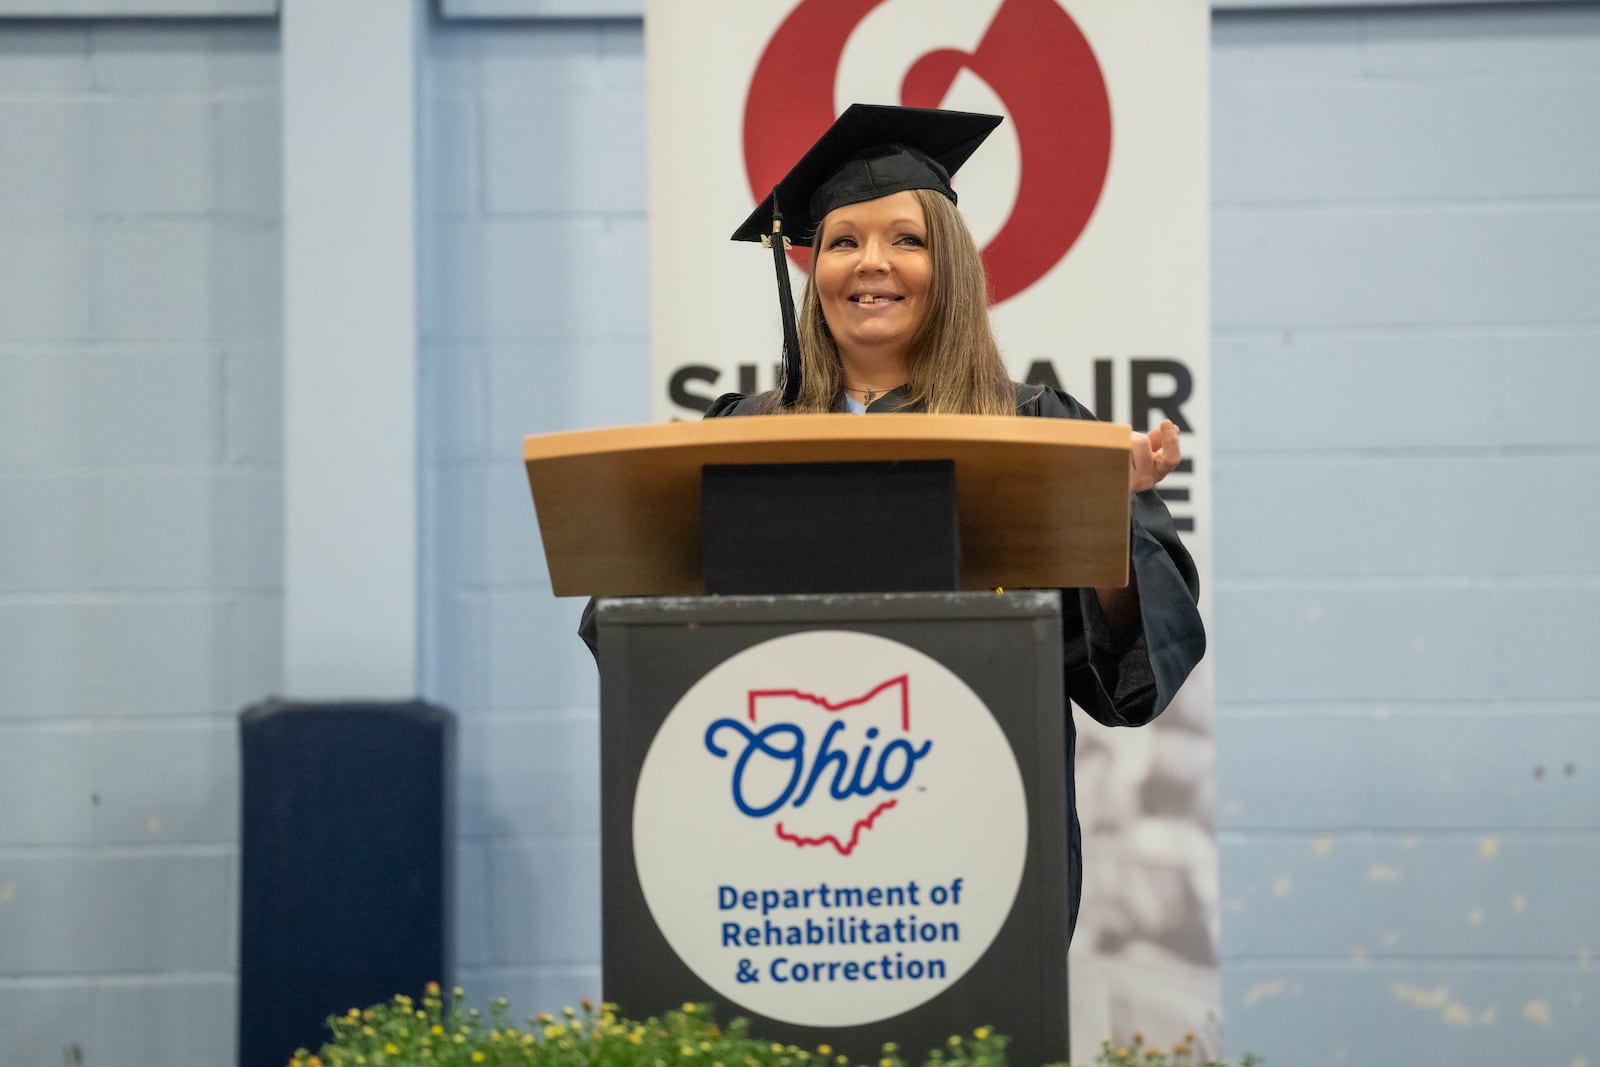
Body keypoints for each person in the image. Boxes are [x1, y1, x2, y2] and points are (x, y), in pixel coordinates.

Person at [585, 103, 1204, 933]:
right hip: (778, 836)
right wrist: (646, 532)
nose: (871, 263)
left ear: (947, 267)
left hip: (978, 834)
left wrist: (1101, 518)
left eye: (906, 239)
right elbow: (637, 641)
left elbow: (1130, 678)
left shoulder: (1038, 429)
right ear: (814, 272)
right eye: (843, 241)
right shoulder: (743, 435)